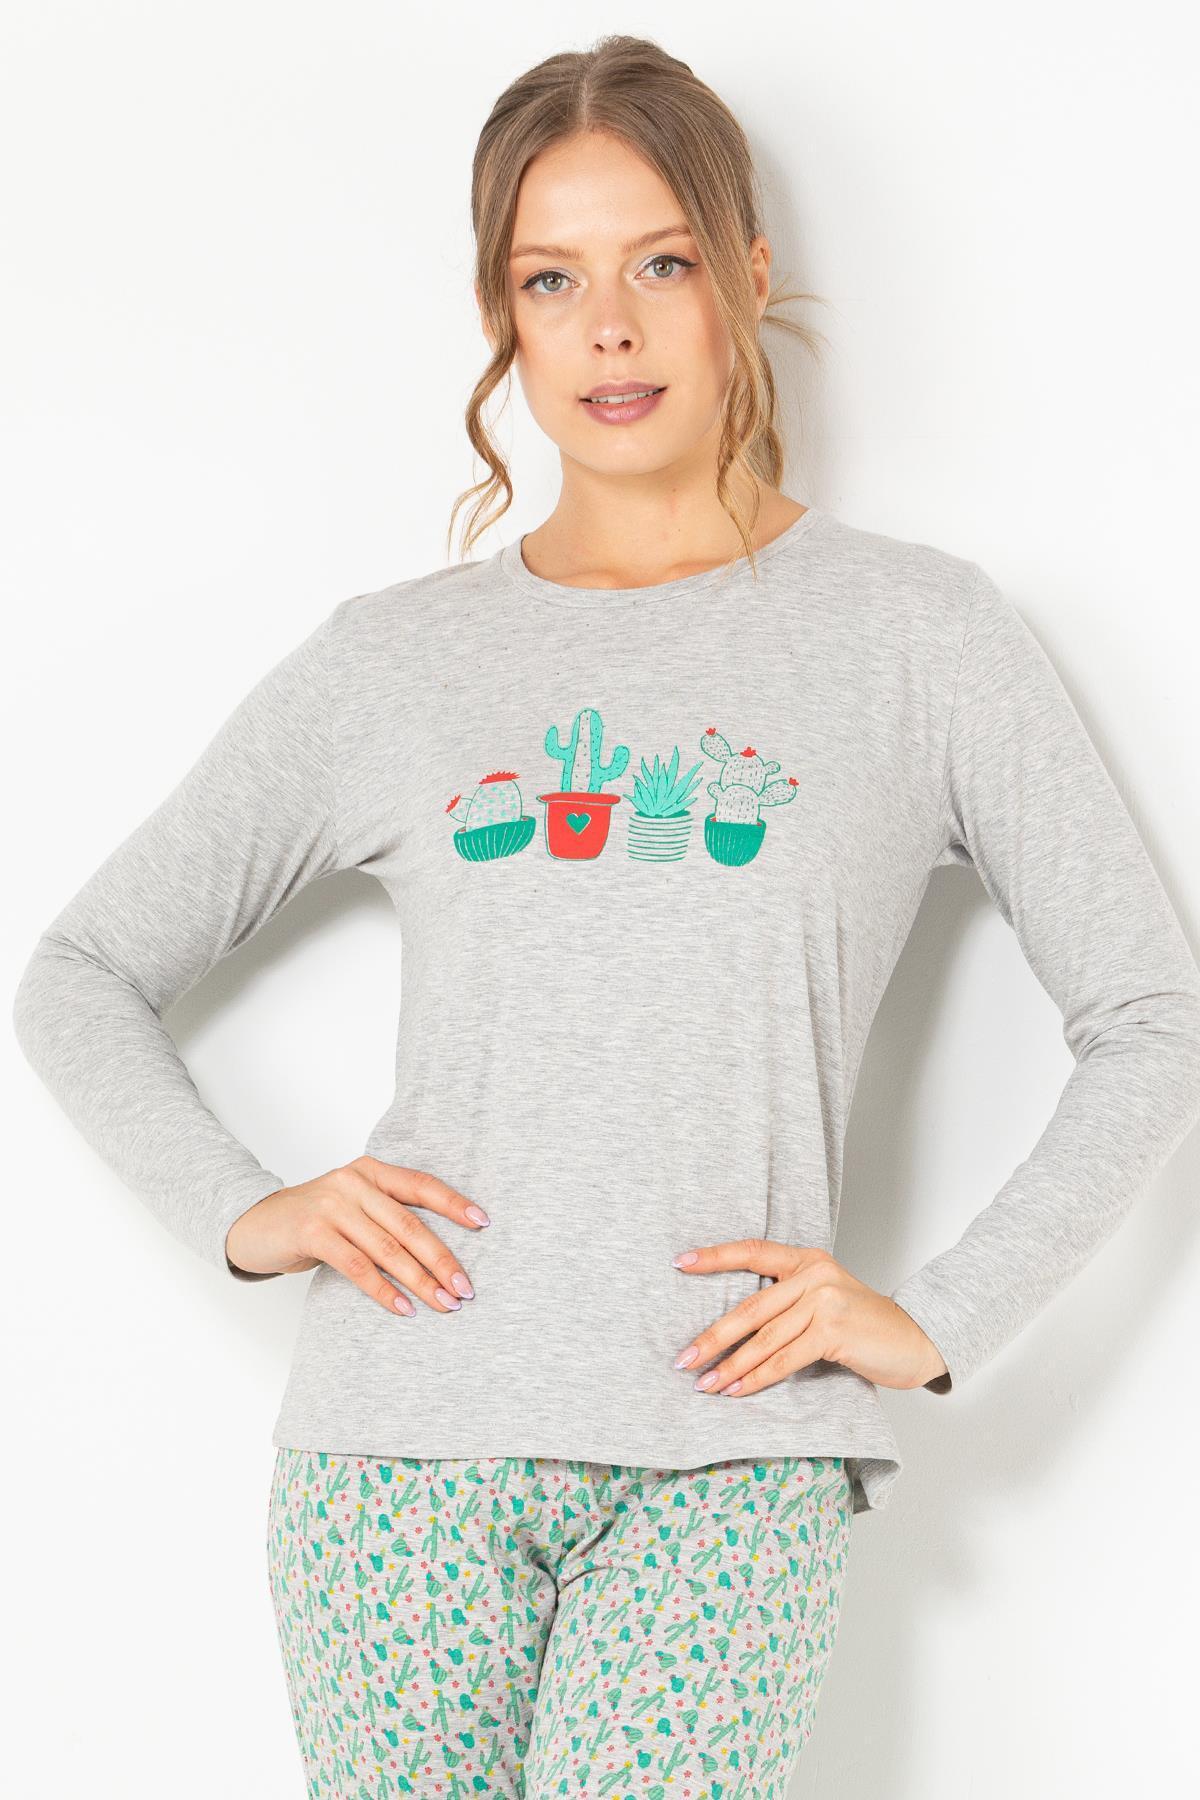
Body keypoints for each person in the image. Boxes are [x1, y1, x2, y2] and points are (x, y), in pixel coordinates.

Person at [12, 31, 1200, 1800]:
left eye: (660, 264)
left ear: (749, 277)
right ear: (503, 317)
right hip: (396, 1458)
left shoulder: (921, 638)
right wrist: (253, 1214)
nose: (610, 331)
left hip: (732, 1459)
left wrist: (944, 1317)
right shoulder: (395, 664)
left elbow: (1151, 1017)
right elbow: (82, 972)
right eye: (550, 280)